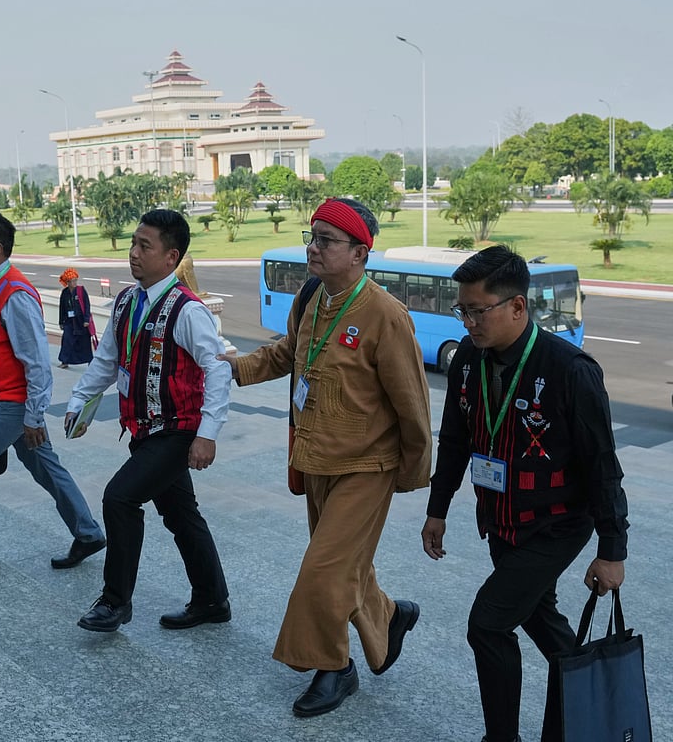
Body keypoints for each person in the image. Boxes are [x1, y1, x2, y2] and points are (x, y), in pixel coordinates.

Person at [221, 197, 432, 717]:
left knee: (323, 571)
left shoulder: (385, 315)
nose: (313, 249)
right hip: (315, 458)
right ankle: (388, 616)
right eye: (311, 237)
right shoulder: (313, 297)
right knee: (343, 567)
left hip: (368, 466)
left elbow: (413, 404)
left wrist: (411, 474)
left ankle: (334, 667)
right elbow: (288, 352)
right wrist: (236, 367)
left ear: (360, 252)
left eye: (326, 241)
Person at [421, 245, 628, 742]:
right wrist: (438, 509)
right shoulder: (468, 360)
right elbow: (454, 439)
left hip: (556, 524)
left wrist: (612, 551)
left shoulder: (570, 370)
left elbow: (602, 464)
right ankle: (584, 706)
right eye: (462, 310)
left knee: (488, 625)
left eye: (477, 310)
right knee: (537, 616)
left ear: (517, 307)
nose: (468, 322)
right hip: (501, 520)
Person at [65, 209, 231, 633]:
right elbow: (108, 360)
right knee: (181, 516)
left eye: (145, 246)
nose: (134, 253)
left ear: (171, 256)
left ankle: (115, 602)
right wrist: (80, 399)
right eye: (133, 243)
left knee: (120, 498)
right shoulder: (126, 301)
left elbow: (217, 370)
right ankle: (212, 600)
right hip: (143, 430)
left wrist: (207, 435)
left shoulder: (188, 311)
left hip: (176, 431)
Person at [0, 211, 106, 574]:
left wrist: (32, 415)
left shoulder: (15, 295)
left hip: (12, 403)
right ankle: (88, 532)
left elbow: (36, 363)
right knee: (45, 466)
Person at [56, 268, 95, 368]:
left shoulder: (81, 290)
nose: (74, 282)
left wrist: (86, 319)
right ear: (67, 282)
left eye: (75, 280)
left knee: (85, 342)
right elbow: (62, 308)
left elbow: (87, 305)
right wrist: (61, 321)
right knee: (67, 340)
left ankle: (90, 361)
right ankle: (64, 361)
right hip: (69, 322)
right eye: (72, 281)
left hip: (81, 322)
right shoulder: (64, 293)